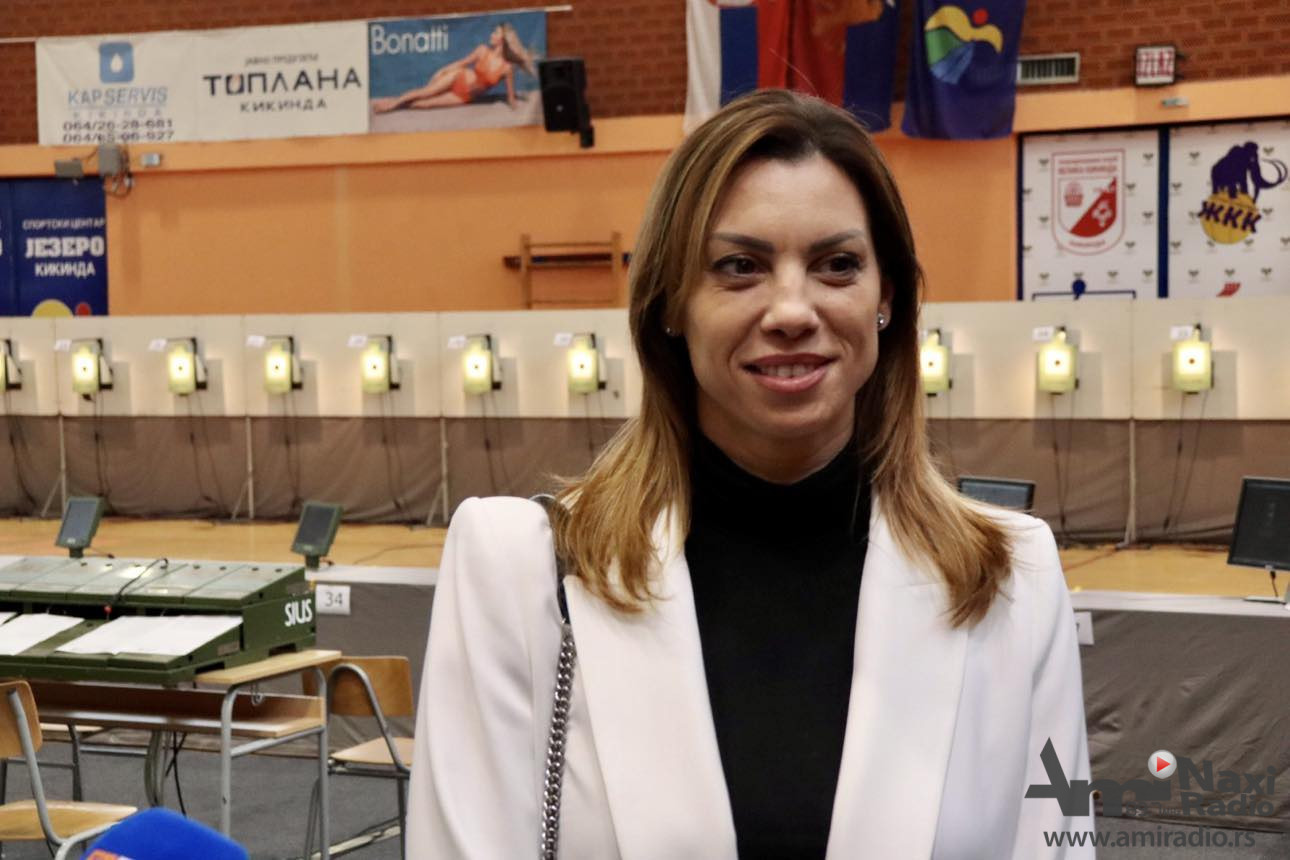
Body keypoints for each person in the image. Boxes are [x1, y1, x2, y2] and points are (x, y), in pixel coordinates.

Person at [406, 89, 1092, 858]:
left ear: (886, 298)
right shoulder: (520, 569)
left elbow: (1055, 845)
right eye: (740, 267)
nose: (792, 310)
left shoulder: (1012, 577)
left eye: (837, 265)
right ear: (671, 302)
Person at [372, 23, 537, 113]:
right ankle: (391, 104)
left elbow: (510, 97)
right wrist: (444, 70)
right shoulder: (482, 50)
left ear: (503, 39)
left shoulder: (506, 68)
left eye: (495, 33)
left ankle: (397, 103)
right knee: (425, 92)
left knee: (424, 104)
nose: (491, 35)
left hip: (464, 96)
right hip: (459, 77)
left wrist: (516, 108)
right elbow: (461, 63)